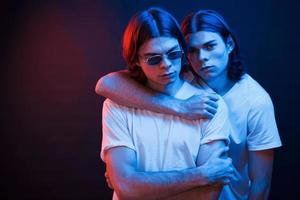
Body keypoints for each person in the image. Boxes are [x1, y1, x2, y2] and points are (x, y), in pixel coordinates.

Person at [96, 9, 282, 200]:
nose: (201, 58)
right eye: (193, 50)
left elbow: (261, 184)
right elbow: (105, 84)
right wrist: (179, 107)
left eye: (210, 46)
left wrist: (136, 183)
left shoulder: (254, 102)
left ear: (229, 44)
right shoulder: (183, 74)